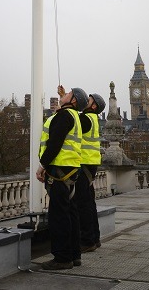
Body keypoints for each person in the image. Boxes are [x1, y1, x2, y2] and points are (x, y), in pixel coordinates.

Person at [36, 86, 89, 270]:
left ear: (73, 101)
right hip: (72, 169)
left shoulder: (64, 116)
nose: (63, 95)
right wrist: (63, 98)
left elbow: (55, 143)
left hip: (59, 170)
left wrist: (42, 165)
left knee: (58, 216)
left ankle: (62, 258)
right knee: (71, 214)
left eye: (68, 94)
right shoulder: (73, 116)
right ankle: (74, 255)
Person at [75, 92, 106, 252]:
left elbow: (72, 119)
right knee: (89, 203)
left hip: (84, 163)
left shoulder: (85, 119)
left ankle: (87, 241)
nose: (86, 100)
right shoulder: (93, 119)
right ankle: (95, 238)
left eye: (89, 100)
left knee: (83, 204)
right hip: (91, 164)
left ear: (94, 106)